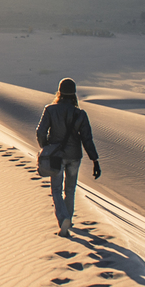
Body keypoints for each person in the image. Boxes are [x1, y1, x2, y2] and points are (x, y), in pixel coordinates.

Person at [36, 77, 101, 238]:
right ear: (74, 94)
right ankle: (68, 220)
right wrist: (95, 161)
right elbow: (87, 139)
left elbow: (40, 132)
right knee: (70, 190)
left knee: (56, 189)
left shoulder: (50, 110)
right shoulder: (80, 114)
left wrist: (46, 147)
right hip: (74, 157)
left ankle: (63, 219)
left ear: (59, 92)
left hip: (55, 157)